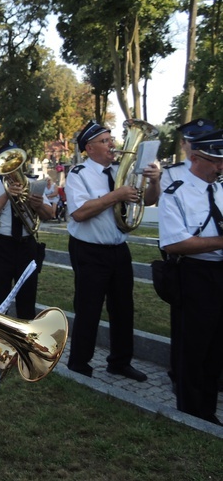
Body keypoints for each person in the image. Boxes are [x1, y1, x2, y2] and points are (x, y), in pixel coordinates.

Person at [65, 120, 161, 381]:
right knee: (89, 308)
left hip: (119, 249)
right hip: (89, 251)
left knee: (123, 308)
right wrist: (116, 195)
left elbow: (148, 201)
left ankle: (120, 362)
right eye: (105, 141)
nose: (113, 145)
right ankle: (79, 364)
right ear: (90, 147)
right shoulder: (79, 173)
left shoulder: (123, 170)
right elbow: (80, 212)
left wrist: (154, 182)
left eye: (112, 140)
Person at [158, 129, 223, 425]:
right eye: (215, 161)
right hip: (194, 275)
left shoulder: (221, 190)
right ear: (196, 158)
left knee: (215, 348)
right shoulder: (177, 192)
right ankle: (189, 412)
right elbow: (173, 243)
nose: (220, 167)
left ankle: (207, 410)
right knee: (192, 349)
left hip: (219, 274)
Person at [0, 142, 53, 320]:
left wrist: (38, 204)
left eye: (15, 164)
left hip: (27, 246)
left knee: (27, 300)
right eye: (7, 165)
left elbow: (50, 214)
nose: (12, 170)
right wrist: (7, 195)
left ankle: (25, 343)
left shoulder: (32, 183)